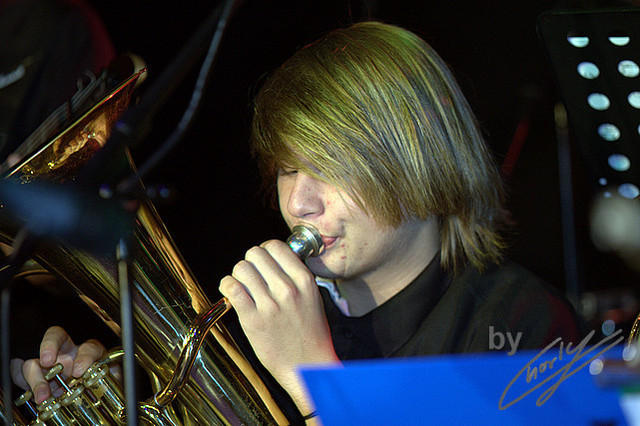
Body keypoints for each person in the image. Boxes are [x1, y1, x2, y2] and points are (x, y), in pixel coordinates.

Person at [11, 21, 580, 423]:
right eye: (286, 170)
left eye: (329, 166)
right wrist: (111, 400)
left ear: (416, 155)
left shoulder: (523, 327)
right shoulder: (249, 323)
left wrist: (311, 376)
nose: (300, 203)